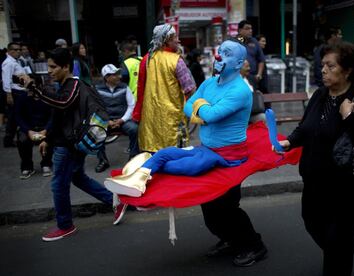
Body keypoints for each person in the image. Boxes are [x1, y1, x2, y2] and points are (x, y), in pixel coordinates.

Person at [106, 39, 267, 267]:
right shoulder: (210, 83)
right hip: (207, 151)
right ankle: (229, 239)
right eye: (219, 51)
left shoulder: (240, 90)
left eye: (227, 53)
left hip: (229, 159)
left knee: (226, 208)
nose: (219, 56)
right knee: (208, 205)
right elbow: (187, 106)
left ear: (240, 62)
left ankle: (254, 246)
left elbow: (208, 114)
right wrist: (203, 107)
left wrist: (200, 109)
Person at [277, 41, 354, 275]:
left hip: (348, 185)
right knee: (312, 223)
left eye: (330, 66)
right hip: (314, 180)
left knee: (338, 239)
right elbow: (306, 127)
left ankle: (340, 255)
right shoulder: (320, 94)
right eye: (322, 65)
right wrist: (290, 141)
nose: (323, 70)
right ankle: (343, 250)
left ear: (347, 70)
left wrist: (349, 117)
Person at [20, 48, 127, 242]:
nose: (50, 71)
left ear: (66, 67)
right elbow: (59, 117)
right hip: (66, 143)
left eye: (53, 67)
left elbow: (63, 104)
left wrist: (34, 87)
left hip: (68, 146)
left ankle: (65, 225)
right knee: (78, 178)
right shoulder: (63, 85)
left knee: (58, 185)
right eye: (48, 67)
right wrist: (47, 138)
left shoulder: (73, 85)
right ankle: (116, 201)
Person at [132, 24, 196, 153]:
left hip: (150, 120)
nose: (178, 40)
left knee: (153, 155)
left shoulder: (146, 59)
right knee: (175, 156)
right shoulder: (177, 60)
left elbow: (141, 89)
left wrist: (137, 114)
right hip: (173, 119)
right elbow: (190, 89)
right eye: (175, 37)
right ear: (167, 39)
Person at [94, 64, 139, 173]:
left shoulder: (124, 87)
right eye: (115, 75)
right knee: (95, 132)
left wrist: (122, 120)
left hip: (122, 120)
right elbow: (96, 108)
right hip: (106, 121)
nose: (119, 77)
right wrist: (106, 121)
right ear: (107, 77)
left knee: (135, 129)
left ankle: (133, 157)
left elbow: (131, 105)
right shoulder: (97, 89)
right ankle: (102, 160)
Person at [15, 88, 53, 179]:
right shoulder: (22, 98)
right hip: (29, 128)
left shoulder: (48, 97)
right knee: (22, 139)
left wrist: (46, 129)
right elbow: (18, 116)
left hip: (44, 127)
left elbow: (53, 116)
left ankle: (46, 163)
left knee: (51, 136)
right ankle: (27, 166)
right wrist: (28, 130)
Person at [2, 42, 28, 147]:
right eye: (15, 50)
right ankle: (8, 139)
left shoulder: (16, 61)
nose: (18, 52)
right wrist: (9, 94)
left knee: (19, 115)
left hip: (20, 91)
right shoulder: (8, 63)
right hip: (14, 92)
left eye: (19, 50)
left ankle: (21, 137)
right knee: (13, 116)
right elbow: (6, 79)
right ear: (9, 51)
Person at [237, 20, 266, 91]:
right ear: (240, 30)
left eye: (251, 28)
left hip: (252, 76)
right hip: (238, 76)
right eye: (247, 29)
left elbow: (261, 60)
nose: (250, 31)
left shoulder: (254, 41)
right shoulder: (234, 42)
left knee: (253, 96)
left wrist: (259, 74)